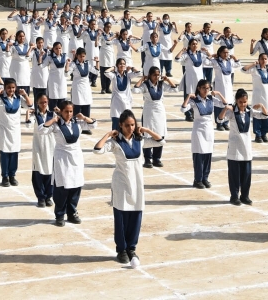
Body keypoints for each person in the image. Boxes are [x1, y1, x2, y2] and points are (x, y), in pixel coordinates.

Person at [94, 109, 164, 264]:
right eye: (127, 125)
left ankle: (131, 248)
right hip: (121, 184)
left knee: (136, 216)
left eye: (133, 125)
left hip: (137, 184)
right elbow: (97, 150)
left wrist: (146, 130)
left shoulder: (140, 140)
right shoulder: (115, 143)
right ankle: (121, 249)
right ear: (120, 125)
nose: (130, 128)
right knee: (121, 217)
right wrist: (108, 134)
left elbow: (160, 141)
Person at [38, 100, 97, 226]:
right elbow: (41, 130)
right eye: (66, 111)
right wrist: (53, 120)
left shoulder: (77, 122)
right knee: (62, 187)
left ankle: (72, 212)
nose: (69, 114)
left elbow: (93, 125)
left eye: (71, 111)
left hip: (76, 158)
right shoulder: (56, 125)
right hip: (62, 158)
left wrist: (84, 117)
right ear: (61, 111)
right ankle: (60, 214)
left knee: (76, 185)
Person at [219, 88, 264, 205]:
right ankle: (234, 196)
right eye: (240, 102)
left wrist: (262, 106)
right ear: (236, 101)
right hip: (235, 147)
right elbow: (219, 120)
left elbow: (264, 116)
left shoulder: (249, 111)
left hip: (246, 148)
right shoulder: (232, 112)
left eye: (245, 102)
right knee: (234, 174)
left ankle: (245, 195)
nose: (243, 104)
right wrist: (225, 108)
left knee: (246, 174)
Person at [182, 79, 227, 189]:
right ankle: (197, 179)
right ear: (199, 88)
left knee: (208, 155)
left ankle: (205, 178)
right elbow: (183, 109)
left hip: (209, 130)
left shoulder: (211, 99)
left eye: (208, 88)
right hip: (198, 129)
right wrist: (189, 96)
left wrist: (219, 93)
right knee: (199, 155)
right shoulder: (194, 100)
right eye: (204, 88)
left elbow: (225, 104)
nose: (206, 90)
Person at [0, 78, 32, 187]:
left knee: (14, 153)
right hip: (3, 130)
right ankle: (5, 176)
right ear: (5, 88)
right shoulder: (1, 98)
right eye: (8, 87)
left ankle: (12, 175)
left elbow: (30, 106)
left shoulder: (18, 98)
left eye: (13, 87)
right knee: (4, 153)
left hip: (15, 130)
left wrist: (25, 95)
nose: (11, 90)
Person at [133, 68, 177, 168]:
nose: (156, 77)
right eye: (154, 75)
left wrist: (168, 80)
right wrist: (142, 79)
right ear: (149, 75)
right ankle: (147, 159)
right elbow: (135, 90)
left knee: (160, 134)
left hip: (160, 112)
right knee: (147, 134)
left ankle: (157, 158)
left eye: (158, 75)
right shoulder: (145, 85)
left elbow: (175, 89)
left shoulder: (161, 84)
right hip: (149, 112)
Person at [242, 53, 268, 143]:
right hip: (258, 96)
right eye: (262, 59)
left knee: (267, 113)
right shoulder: (254, 69)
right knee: (257, 114)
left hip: (267, 96)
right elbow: (243, 70)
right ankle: (258, 134)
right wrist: (253, 64)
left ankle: (264, 133)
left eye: (265, 59)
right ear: (259, 60)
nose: (264, 61)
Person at [29, 94, 55, 207]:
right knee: (38, 171)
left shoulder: (53, 114)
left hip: (51, 145)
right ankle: (40, 197)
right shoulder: (34, 115)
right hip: (38, 145)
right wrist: (27, 115)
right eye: (41, 102)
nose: (44, 104)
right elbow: (28, 125)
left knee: (50, 171)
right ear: (37, 103)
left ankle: (48, 196)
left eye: (45, 102)